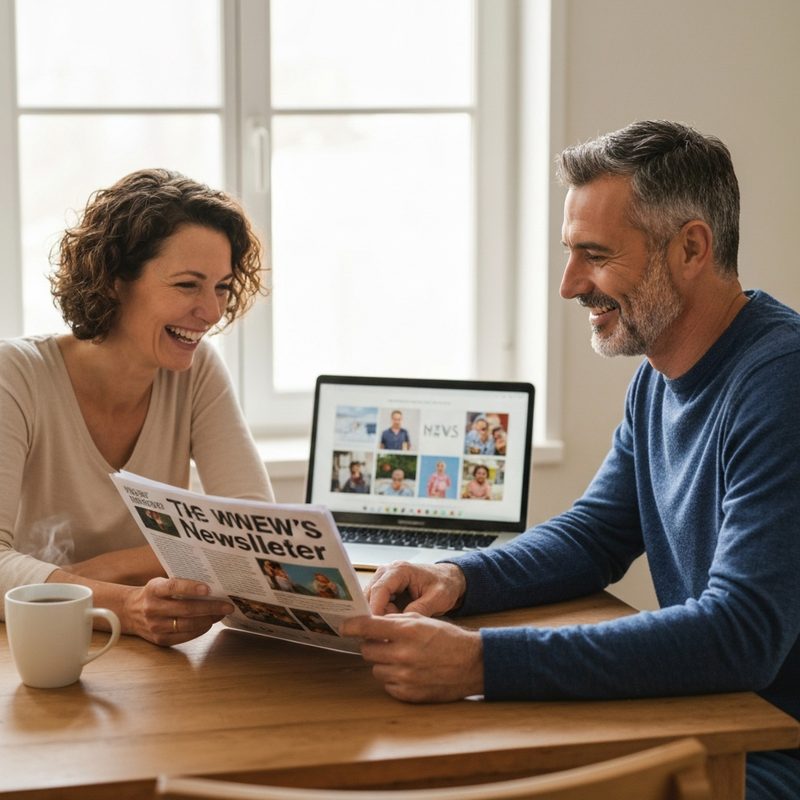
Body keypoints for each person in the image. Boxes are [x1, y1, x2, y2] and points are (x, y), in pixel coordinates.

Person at [341, 121, 800, 799]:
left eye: (595, 254)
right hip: (715, 722)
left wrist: (482, 664)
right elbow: (594, 535)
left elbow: (741, 633)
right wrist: (456, 578)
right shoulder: (656, 381)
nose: (568, 285)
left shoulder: (780, 381)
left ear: (692, 248)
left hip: (768, 749)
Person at [0, 168, 274, 647]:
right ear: (113, 281)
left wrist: (100, 571)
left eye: (222, 287)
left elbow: (251, 533)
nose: (211, 313)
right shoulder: (15, 375)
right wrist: (123, 603)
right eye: (189, 285)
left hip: (153, 654)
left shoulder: (197, 371)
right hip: (41, 649)